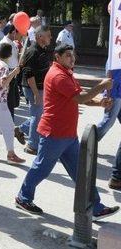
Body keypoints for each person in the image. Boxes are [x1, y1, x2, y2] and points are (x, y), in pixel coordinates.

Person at [15, 44, 119, 221]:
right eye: (68, 55)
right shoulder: (57, 75)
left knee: (81, 173)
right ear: (58, 57)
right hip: (54, 133)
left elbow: (79, 96)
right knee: (41, 169)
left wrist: (99, 103)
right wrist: (101, 86)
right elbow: (79, 98)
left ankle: (95, 207)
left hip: (68, 135)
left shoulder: (67, 73)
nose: (72, 59)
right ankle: (23, 198)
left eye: (73, 55)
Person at [16, 26, 53, 155]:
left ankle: (21, 129)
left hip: (42, 87)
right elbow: (28, 73)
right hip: (33, 88)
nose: (50, 37)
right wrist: (36, 93)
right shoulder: (32, 51)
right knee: (37, 116)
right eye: (48, 35)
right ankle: (32, 145)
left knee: (40, 115)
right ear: (39, 37)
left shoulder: (44, 50)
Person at [0, 23, 21, 118]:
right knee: (9, 101)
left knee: (13, 101)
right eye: (16, 33)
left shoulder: (11, 42)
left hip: (13, 72)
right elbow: (4, 60)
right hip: (8, 73)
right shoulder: (6, 43)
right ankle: (9, 121)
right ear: (12, 32)